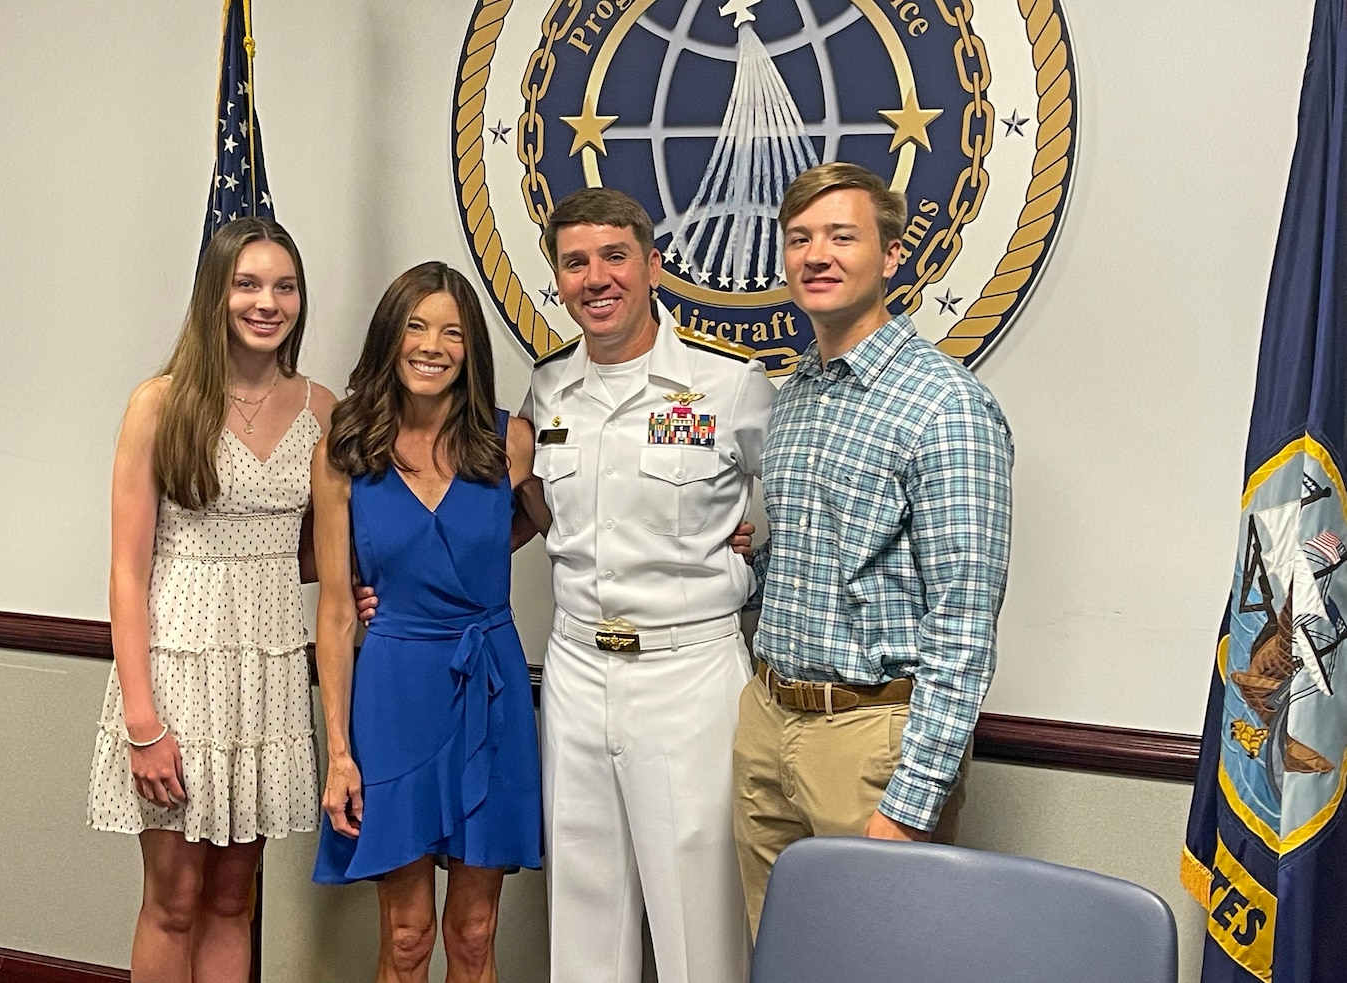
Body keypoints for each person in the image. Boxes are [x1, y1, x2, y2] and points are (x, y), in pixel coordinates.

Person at [732, 161, 1014, 935]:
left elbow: (963, 625)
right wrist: (743, 559)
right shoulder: (795, 397)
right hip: (768, 721)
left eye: (841, 236)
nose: (816, 254)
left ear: (891, 256)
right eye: (799, 239)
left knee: (873, 959)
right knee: (779, 954)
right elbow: (808, 562)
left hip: (869, 743)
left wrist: (912, 802)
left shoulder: (945, 405)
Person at [523, 188, 774, 983]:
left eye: (613, 256)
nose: (596, 277)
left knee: (700, 922)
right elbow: (542, 511)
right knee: (583, 906)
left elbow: (798, 503)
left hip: (687, 671)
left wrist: (756, 542)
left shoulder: (728, 386)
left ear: (652, 265)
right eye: (575, 262)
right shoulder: (549, 388)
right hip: (575, 667)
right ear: (558, 279)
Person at [87, 217, 335, 982]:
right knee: (175, 900)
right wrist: (141, 721)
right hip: (176, 676)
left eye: (284, 285)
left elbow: (316, 551)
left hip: (267, 679)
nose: (269, 301)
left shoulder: (322, 407)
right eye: (248, 283)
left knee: (235, 902)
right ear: (215, 293)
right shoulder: (160, 404)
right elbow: (127, 571)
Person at [312, 261, 543, 983]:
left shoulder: (513, 443)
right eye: (415, 326)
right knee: (407, 935)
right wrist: (340, 751)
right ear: (390, 337)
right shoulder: (345, 450)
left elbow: (586, 531)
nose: (431, 345)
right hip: (393, 692)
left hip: (491, 689)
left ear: (471, 347)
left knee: (473, 933)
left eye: (451, 330)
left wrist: (719, 533)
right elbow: (336, 605)